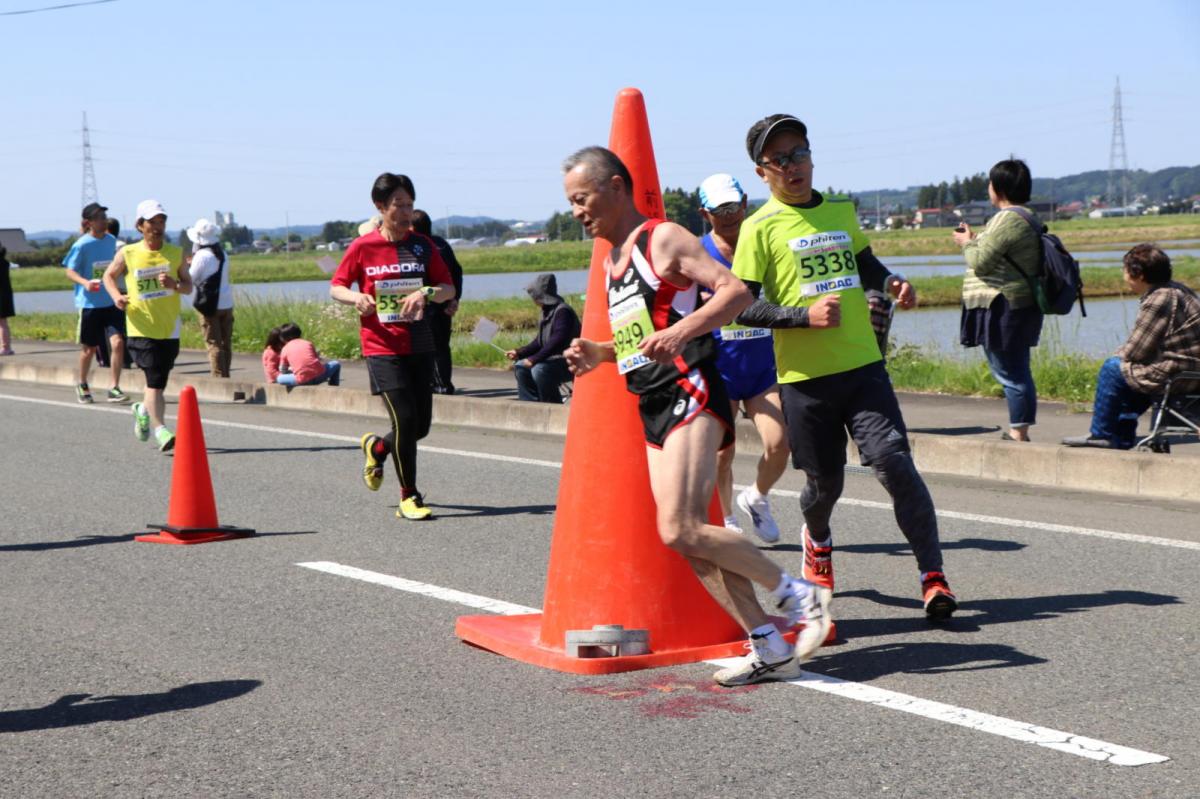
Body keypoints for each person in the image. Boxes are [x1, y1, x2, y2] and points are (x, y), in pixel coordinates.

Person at [561, 146, 831, 687]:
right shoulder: (613, 261)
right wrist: (601, 352)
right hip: (653, 401)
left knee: (679, 526)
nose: (576, 211)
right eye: (570, 202)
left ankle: (800, 595)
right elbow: (646, 334)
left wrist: (685, 333)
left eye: (582, 198)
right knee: (687, 540)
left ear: (616, 187)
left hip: (693, 388)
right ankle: (768, 644)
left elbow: (734, 292)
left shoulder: (661, 238)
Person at [731, 114, 957, 620]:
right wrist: (801, 318)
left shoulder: (839, 210)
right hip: (805, 381)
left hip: (863, 367)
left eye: (800, 153)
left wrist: (893, 281)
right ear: (762, 171)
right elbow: (740, 306)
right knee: (823, 486)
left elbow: (866, 265)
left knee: (894, 462)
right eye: (780, 159)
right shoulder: (758, 228)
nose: (794, 166)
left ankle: (932, 576)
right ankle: (817, 539)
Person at [331, 173, 455, 521]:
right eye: (398, 205)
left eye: (410, 205)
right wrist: (357, 297)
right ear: (381, 207)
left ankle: (377, 447)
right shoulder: (363, 247)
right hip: (381, 346)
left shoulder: (422, 246)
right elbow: (336, 286)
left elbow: (448, 287)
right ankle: (409, 496)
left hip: (419, 342)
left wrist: (426, 292)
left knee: (420, 427)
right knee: (404, 419)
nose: (405, 212)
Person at [695, 173, 790, 542]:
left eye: (734, 205)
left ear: (746, 202)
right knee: (722, 455)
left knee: (780, 444)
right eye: (720, 209)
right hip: (721, 368)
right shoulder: (699, 252)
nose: (730, 214)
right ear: (706, 214)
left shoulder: (762, 240)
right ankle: (728, 517)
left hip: (761, 365)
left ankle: (757, 497)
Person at [1063, 244, 1200, 449]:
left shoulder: (1159, 299)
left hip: (1178, 373)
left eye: (1125, 270)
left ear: (1139, 275)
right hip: (1188, 369)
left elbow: (1136, 351)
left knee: (1112, 368)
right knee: (1127, 372)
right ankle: (1121, 438)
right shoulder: (1176, 289)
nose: (1123, 275)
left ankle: (1101, 433)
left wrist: (1117, 356)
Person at [952, 159, 1045, 442]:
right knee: (1016, 368)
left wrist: (966, 242)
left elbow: (979, 261)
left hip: (1002, 304)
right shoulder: (1025, 216)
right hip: (1014, 302)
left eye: (990, 184)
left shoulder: (1007, 218)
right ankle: (1020, 428)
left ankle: (1018, 432)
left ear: (999, 188)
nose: (989, 189)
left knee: (1010, 371)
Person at [103, 199, 191, 452]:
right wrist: (116, 297)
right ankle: (161, 430)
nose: (158, 226)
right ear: (140, 225)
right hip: (140, 326)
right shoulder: (128, 253)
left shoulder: (175, 253)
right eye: (152, 222)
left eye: (162, 221)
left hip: (169, 327)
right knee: (153, 381)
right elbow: (109, 276)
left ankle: (142, 408)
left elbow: (188, 286)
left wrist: (174, 284)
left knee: (159, 382)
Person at [61, 203, 128, 403]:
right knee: (89, 349)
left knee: (117, 343)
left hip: (110, 301)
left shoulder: (111, 240)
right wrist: (85, 283)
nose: (104, 220)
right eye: (99, 217)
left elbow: (114, 267)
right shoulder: (81, 244)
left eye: (104, 216)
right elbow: (69, 271)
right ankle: (82, 383)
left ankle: (114, 387)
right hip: (90, 304)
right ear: (89, 222)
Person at [505, 274, 580, 403]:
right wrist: (520, 352)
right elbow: (540, 341)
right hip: (552, 359)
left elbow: (557, 341)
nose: (532, 298)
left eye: (533, 294)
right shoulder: (545, 311)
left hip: (569, 361)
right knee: (520, 366)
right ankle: (531, 405)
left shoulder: (563, 312)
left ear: (541, 295)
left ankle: (551, 406)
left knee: (540, 370)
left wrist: (534, 359)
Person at [411, 209, 464, 395]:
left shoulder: (421, 247)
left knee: (431, 347)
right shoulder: (442, 244)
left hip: (429, 302)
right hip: (445, 302)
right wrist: (455, 298)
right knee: (441, 346)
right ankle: (442, 383)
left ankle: (439, 385)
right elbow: (457, 272)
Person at [187, 218, 235, 378]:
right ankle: (226, 374)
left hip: (209, 305)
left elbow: (191, 278)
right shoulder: (223, 254)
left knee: (213, 343)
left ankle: (218, 378)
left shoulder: (202, 256)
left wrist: (189, 264)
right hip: (227, 304)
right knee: (226, 343)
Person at [274, 322, 342, 386]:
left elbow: (283, 370)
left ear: (283, 338)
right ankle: (334, 385)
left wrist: (292, 371)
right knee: (336, 364)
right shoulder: (308, 343)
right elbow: (316, 360)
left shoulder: (285, 348)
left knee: (279, 378)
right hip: (320, 376)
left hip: (302, 380)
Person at [0, 245, 15, 355]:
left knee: (2, 323)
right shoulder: (5, 262)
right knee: (3, 322)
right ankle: (6, 347)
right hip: (5, 294)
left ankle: (5, 347)